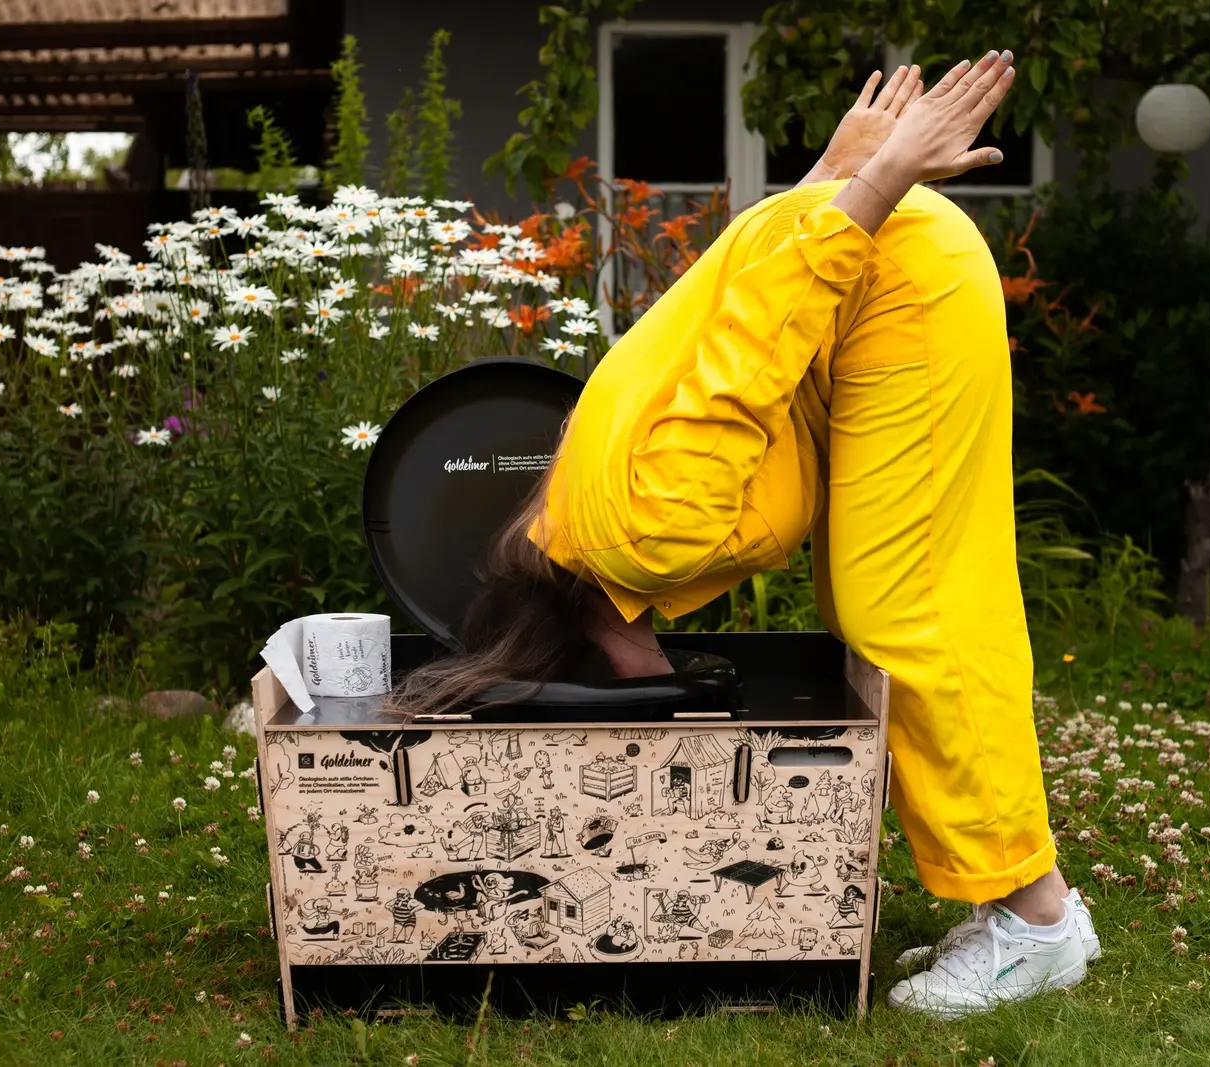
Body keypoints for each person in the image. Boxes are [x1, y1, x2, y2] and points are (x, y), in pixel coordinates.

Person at [393, 53, 1101, 1018]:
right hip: (860, 258)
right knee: (877, 599)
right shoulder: (580, 516)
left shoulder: (651, 538)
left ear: (590, 657)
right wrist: (828, 178)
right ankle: (1018, 903)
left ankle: (1040, 922)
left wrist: (881, 175)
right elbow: (714, 301)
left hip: (895, 281)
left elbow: (752, 341)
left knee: (908, 607)